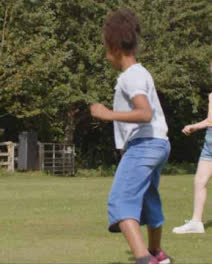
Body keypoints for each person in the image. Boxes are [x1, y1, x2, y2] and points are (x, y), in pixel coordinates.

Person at [90, 9, 171, 264]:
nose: (106, 55)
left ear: (114, 46)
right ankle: (158, 253)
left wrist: (107, 114)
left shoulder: (130, 77)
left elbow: (144, 113)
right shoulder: (141, 72)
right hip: (158, 143)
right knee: (149, 199)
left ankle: (144, 259)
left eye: (105, 48)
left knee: (121, 200)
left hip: (145, 144)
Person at [172, 60, 212, 234]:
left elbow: (211, 121)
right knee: (200, 181)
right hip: (210, 143)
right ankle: (196, 222)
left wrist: (193, 127)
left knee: (200, 181)